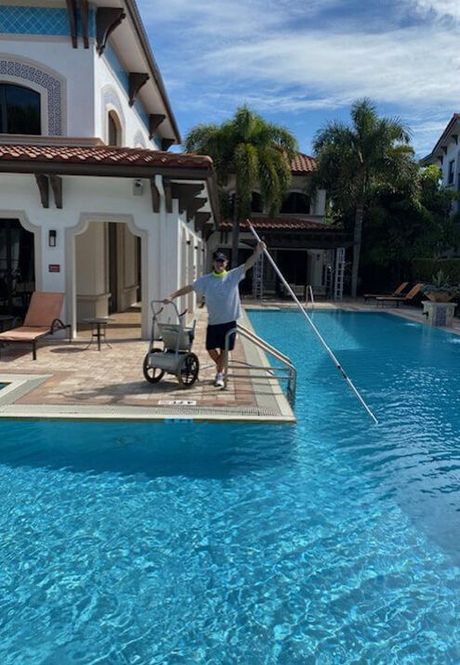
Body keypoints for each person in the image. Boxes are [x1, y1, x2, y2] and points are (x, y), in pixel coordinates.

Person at [163, 242, 265, 388]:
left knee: (224, 350)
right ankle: (221, 367)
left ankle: (219, 375)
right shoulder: (206, 280)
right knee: (210, 349)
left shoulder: (233, 276)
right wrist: (172, 296)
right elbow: (189, 288)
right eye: (217, 261)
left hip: (229, 322)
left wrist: (258, 252)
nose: (219, 264)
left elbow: (248, 264)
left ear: (226, 263)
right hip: (214, 322)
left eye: (222, 261)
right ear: (213, 263)